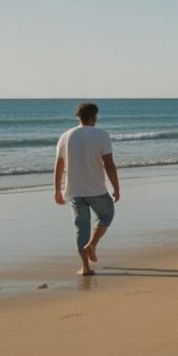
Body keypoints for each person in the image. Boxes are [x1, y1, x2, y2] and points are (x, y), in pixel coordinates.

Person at [54, 102, 121, 276]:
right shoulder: (101, 135)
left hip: (75, 191)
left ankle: (85, 267)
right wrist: (116, 187)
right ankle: (92, 244)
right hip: (96, 189)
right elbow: (109, 164)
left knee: (80, 228)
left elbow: (59, 165)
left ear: (78, 117)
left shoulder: (65, 136)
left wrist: (57, 190)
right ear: (94, 117)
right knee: (107, 215)